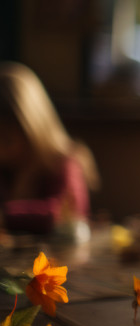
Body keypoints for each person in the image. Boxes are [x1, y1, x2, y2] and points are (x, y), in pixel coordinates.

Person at [0, 61, 99, 239]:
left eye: (7, 140)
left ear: (33, 128)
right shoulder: (6, 170)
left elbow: (62, 212)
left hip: (60, 263)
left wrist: (5, 215)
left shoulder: (63, 162)